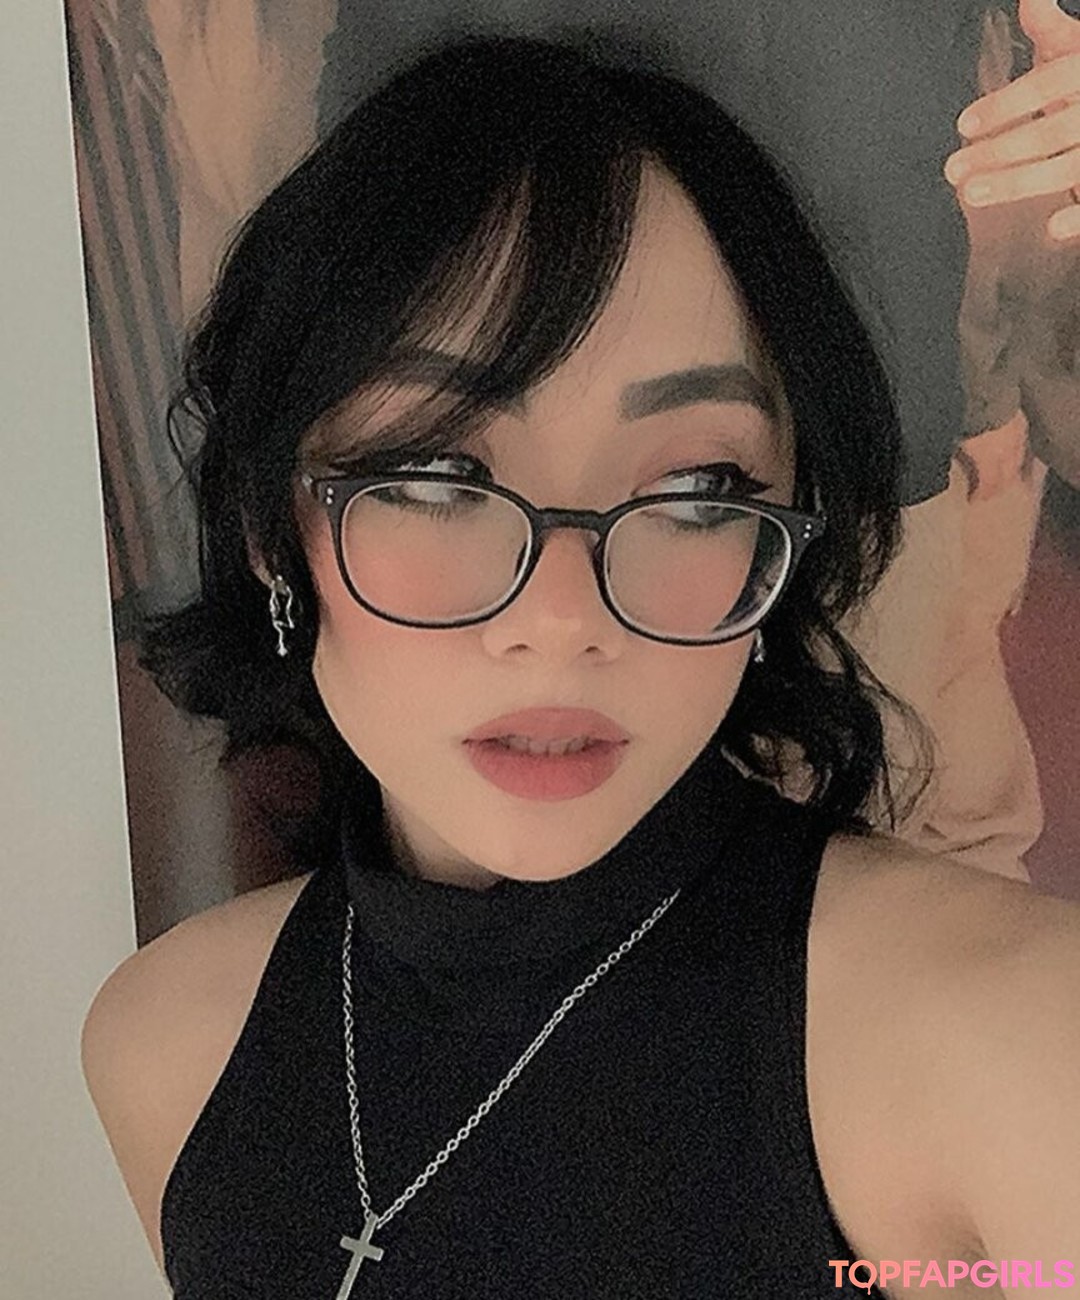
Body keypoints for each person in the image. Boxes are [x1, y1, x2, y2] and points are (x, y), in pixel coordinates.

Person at [80, 36, 1080, 1299]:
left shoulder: (1019, 1047)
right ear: (275, 533)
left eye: (696, 486)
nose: (562, 619)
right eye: (435, 475)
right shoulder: (164, 1053)